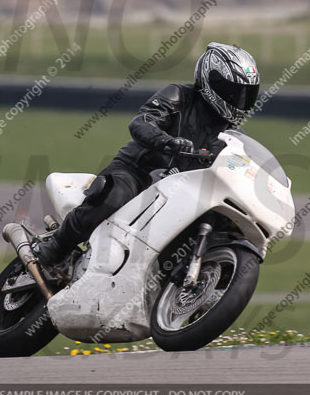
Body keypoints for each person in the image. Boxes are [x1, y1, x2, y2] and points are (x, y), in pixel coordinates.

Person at [32, 42, 260, 267]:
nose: (239, 101)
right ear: (211, 81)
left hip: (180, 192)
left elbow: (238, 168)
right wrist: (167, 142)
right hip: (138, 172)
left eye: (245, 94)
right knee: (114, 195)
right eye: (234, 92)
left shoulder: (233, 135)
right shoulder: (178, 95)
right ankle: (56, 248)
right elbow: (142, 121)